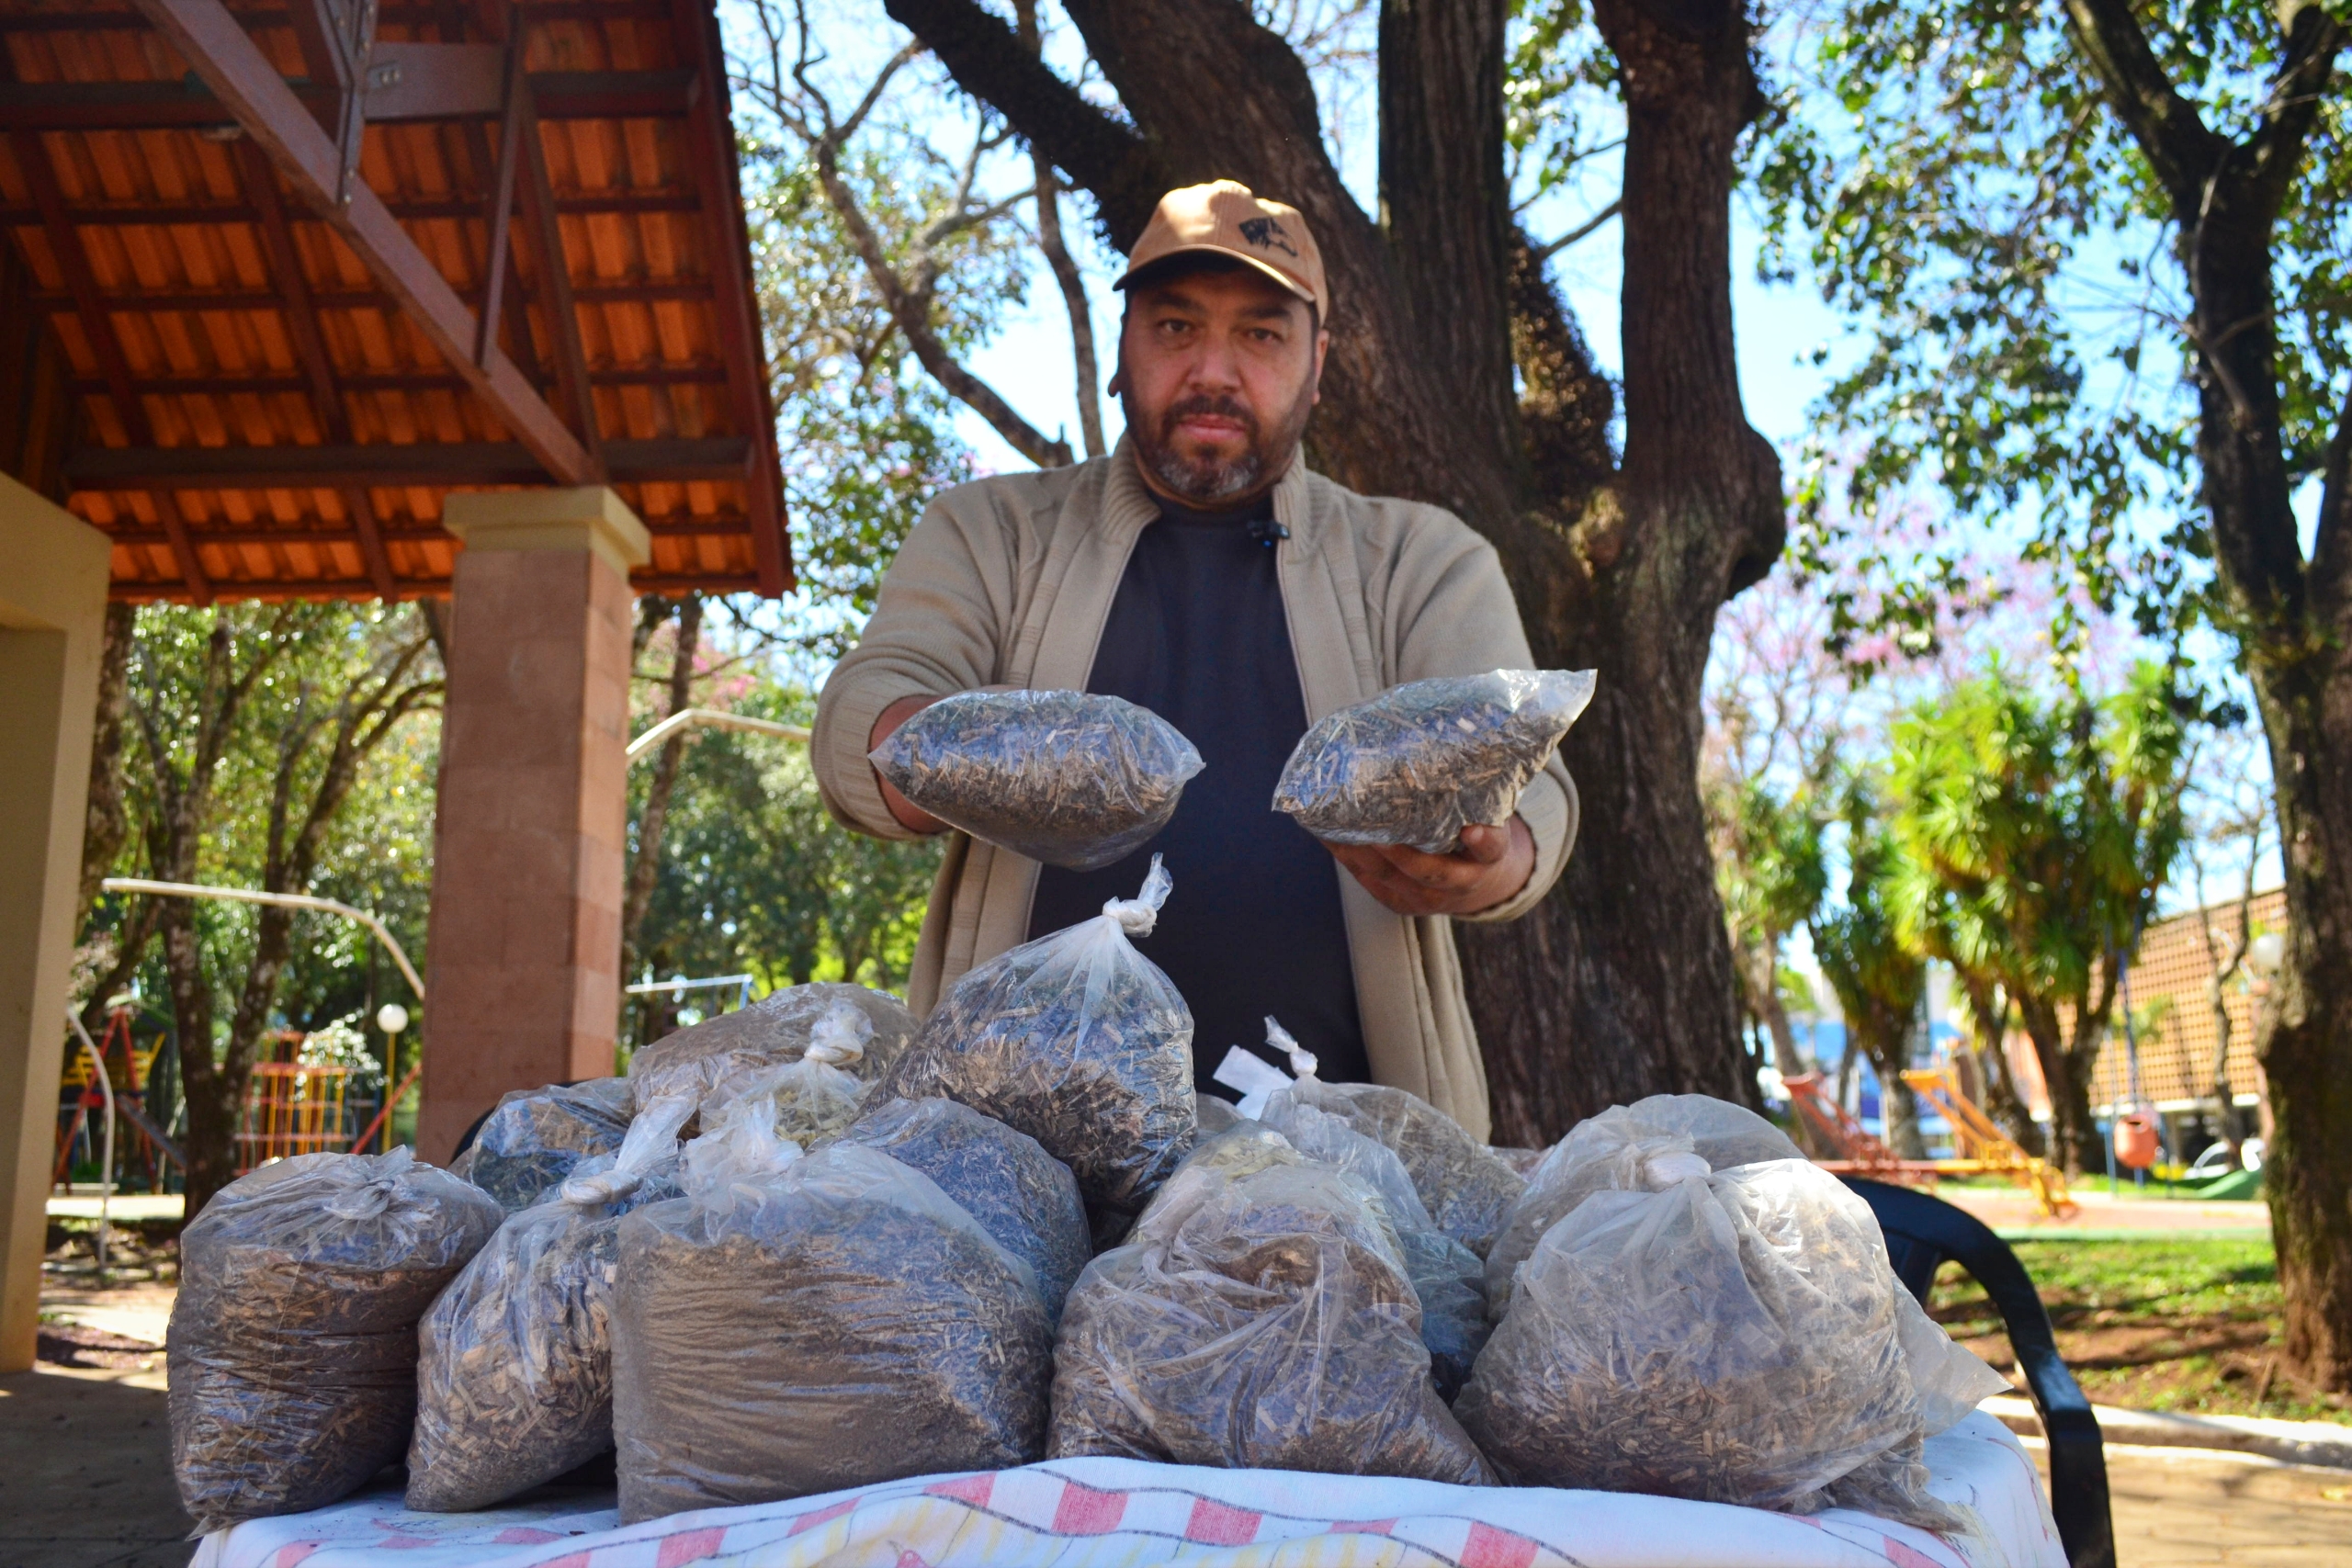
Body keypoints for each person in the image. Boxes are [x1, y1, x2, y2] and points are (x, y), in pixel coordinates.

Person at [812, 180, 1576, 1139]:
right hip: (1002, 1153)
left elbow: (1533, 787)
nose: (1213, 369)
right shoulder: (988, 532)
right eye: (1175, 327)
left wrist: (1494, 855)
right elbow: (866, 711)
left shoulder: (1422, 560)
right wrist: (961, 755)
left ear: (1317, 365)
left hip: (1347, 1167)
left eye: (1261, 335)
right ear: (1121, 353)